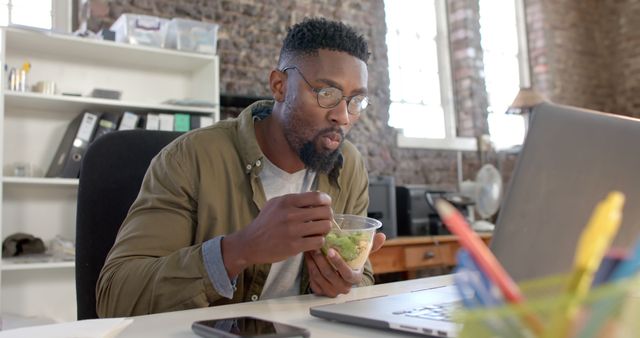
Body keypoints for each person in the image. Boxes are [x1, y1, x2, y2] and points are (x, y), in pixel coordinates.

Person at [96, 17, 386, 317]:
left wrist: (346, 283)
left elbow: (359, 278)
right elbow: (115, 296)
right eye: (327, 94)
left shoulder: (347, 165)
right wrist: (239, 249)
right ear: (279, 86)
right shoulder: (189, 159)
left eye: (356, 101)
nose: (344, 116)